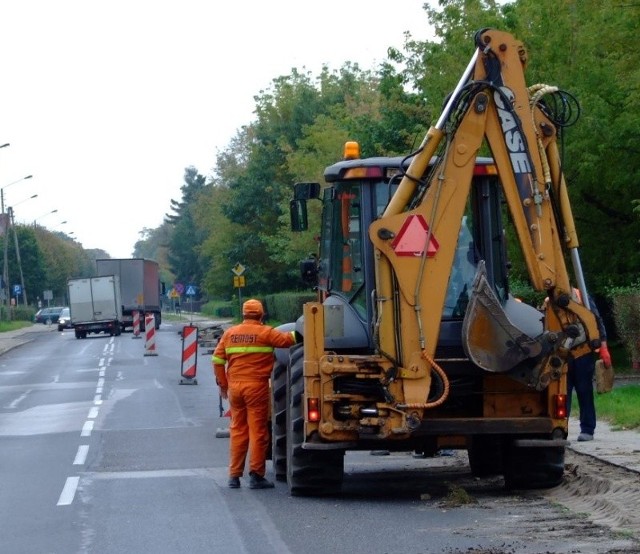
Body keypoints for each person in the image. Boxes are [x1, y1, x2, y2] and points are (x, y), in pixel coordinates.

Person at [212, 299, 296, 489]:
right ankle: (256, 475)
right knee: (258, 432)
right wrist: (304, 329)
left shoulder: (230, 333)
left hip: (235, 388)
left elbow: (217, 360)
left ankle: (233, 476)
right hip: (256, 388)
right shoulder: (265, 332)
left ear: (243, 314)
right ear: (261, 314)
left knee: (238, 430)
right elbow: (287, 340)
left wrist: (223, 385)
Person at [565, 290, 612, 442]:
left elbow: (597, 321)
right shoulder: (550, 301)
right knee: (561, 394)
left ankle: (587, 428)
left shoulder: (581, 296)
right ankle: (560, 427)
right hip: (561, 356)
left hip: (582, 352)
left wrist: (603, 347)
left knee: (584, 390)